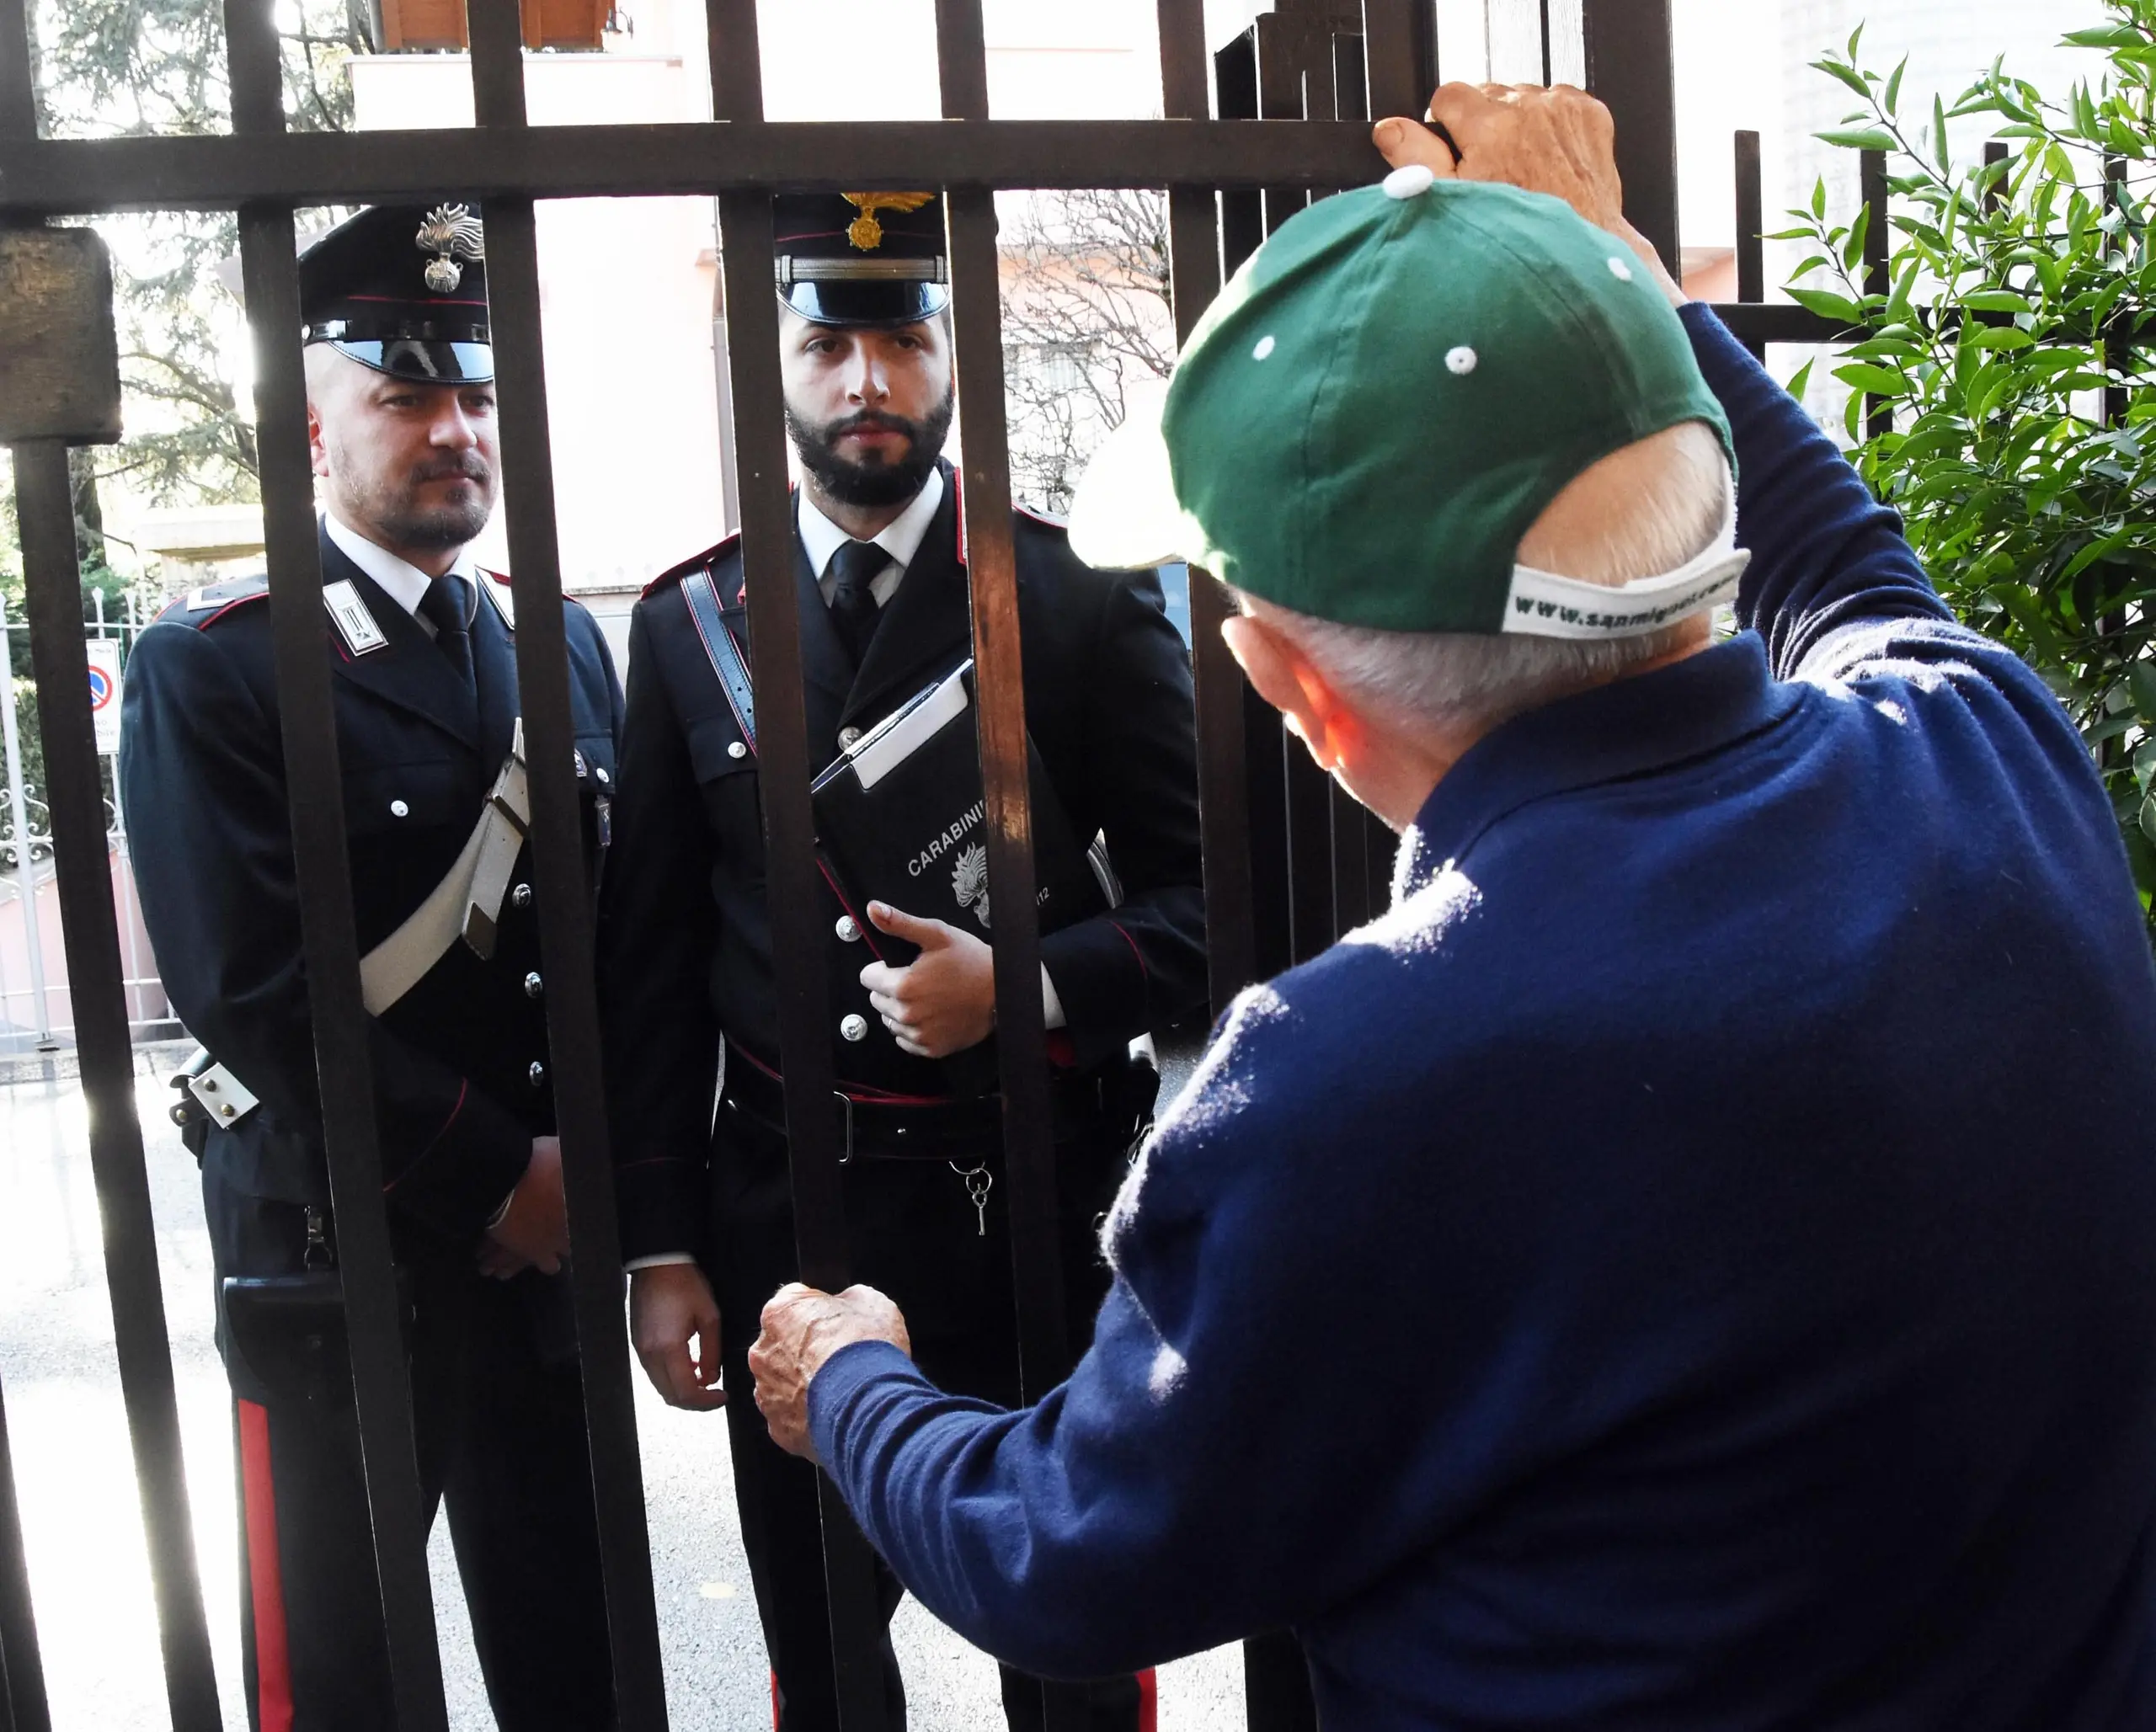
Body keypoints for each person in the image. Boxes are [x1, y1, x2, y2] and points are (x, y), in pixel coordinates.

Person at [747, 86, 2156, 1730]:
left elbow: (1060, 1550)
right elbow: (1847, 565)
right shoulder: (1988, 754)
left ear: (1289, 685)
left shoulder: (1353, 1079)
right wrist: (1612, 270)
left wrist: (850, 1379)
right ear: (1685, 505)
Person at [598, 190, 1205, 1730]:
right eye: (830, 340)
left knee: (1068, 1629)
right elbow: (653, 961)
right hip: (791, 1209)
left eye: (902, 335)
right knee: (822, 1639)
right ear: (778, 362)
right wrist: (660, 1239)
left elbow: (1209, 914)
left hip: (1037, 1193)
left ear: (949, 352)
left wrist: (1033, 985)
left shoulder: (1074, 591)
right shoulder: (686, 624)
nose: (868, 378)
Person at [120, 204, 621, 1732]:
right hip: (337, 1258)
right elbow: (251, 989)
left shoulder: (561, 652)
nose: (455, 430)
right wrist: (499, 1177)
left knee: (581, 1661)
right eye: (405, 394)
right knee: (333, 1680)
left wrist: (582, 1185)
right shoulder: (215, 661)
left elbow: (602, 951)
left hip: (539, 1263)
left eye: (475, 395)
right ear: (312, 419)